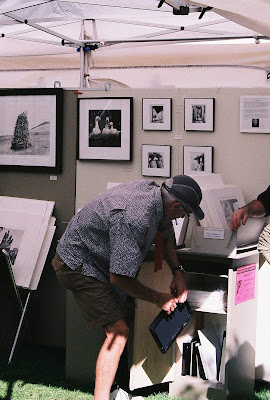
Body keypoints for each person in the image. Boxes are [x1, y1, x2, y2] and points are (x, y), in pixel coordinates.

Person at [52, 175, 204, 400]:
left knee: (122, 317)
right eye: (186, 212)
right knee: (118, 331)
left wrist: (178, 272)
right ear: (176, 205)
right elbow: (119, 279)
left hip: (98, 259)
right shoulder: (135, 218)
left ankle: (115, 391)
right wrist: (157, 297)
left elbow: (165, 234)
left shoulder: (156, 197)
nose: (184, 217)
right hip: (77, 263)